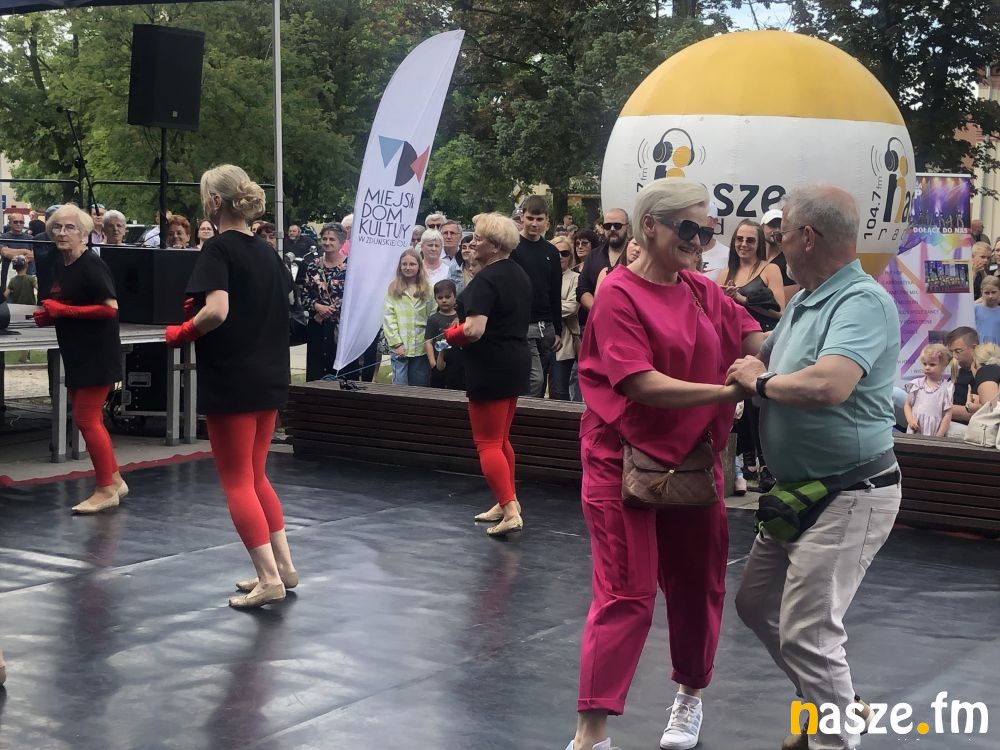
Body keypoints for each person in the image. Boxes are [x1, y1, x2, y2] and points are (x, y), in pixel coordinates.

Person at [568, 178, 762, 750]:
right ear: (649, 225)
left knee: (698, 583)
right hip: (619, 458)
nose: (700, 240)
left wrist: (828, 337)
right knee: (626, 592)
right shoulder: (617, 293)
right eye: (689, 228)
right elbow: (638, 382)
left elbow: (756, 340)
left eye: (707, 230)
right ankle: (590, 734)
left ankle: (689, 696)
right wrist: (727, 393)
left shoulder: (702, 290)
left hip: (692, 460)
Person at [727, 184, 902, 750]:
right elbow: (761, 346)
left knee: (808, 632)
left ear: (807, 236)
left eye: (779, 234)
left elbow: (830, 384)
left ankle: (834, 731)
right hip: (799, 492)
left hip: (851, 491)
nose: (775, 244)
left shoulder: (862, 302)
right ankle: (838, 704)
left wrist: (761, 382)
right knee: (756, 605)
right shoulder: (807, 299)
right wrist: (701, 301)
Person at [165, 164, 296, 609]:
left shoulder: (217, 249)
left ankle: (268, 578)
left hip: (234, 378)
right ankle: (283, 567)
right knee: (257, 476)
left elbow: (217, 311)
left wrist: (184, 331)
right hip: (269, 376)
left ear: (215, 202)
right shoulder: (268, 253)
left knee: (238, 481)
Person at [33, 205, 127, 514]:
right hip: (78, 353)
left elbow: (110, 308)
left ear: (84, 233)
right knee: (90, 419)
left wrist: (65, 311)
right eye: (57, 227)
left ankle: (105, 489)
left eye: (69, 227)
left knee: (86, 419)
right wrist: (51, 316)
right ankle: (114, 479)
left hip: (96, 354)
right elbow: (72, 304)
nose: (62, 233)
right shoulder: (65, 265)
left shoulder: (91, 265)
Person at [443, 212, 532, 537]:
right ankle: (507, 499)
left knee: (488, 443)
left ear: (494, 246)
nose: (472, 243)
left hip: (491, 366)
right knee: (502, 439)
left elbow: (474, 330)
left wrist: (451, 335)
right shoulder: (518, 273)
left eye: (478, 239)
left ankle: (509, 510)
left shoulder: (486, 280)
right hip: (514, 361)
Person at [510, 195, 563, 397]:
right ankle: (522, 413)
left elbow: (555, 291)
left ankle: (528, 414)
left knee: (540, 383)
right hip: (523, 325)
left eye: (539, 219)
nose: (534, 223)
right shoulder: (513, 247)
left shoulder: (551, 251)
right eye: (530, 218)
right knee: (535, 378)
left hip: (547, 326)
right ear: (522, 217)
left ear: (547, 221)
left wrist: (557, 329)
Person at [301, 222, 348, 381]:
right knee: (316, 372)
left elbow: (354, 297)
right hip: (318, 325)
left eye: (332, 239)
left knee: (340, 374)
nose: (327, 242)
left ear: (341, 242)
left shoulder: (350, 266)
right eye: (325, 239)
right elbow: (304, 295)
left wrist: (331, 309)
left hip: (341, 328)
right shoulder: (312, 266)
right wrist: (317, 307)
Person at [384, 248, 435, 387]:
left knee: (419, 385)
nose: (408, 267)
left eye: (412, 264)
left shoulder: (428, 289)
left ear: (419, 266)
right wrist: (396, 343)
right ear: (400, 266)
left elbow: (432, 316)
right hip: (401, 346)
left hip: (421, 346)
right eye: (404, 264)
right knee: (399, 384)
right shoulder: (393, 288)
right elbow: (389, 317)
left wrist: (429, 342)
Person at [577, 209, 629, 330]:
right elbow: (582, 289)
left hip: (629, 324)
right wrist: (599, 310)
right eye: (607, 226)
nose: (612, 229)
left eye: (617, 225)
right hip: (598, 325)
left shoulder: (637, 255)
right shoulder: (593, 256)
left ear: (628, 227)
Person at [551, 236, 581, 400]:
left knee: (560, 390)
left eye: (565, 253)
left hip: (565, 340)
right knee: (536, 385)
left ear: (570, 256)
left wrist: (546, 306)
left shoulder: (576, 278)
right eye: (556, 252)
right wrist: (559, 302)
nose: (560, 256)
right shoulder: (541, 275)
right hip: (539, 337)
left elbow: (572, 307)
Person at [903, 343, 953, 437]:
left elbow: (947, 414)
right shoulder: (917, 384)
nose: (927, 367)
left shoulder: (946, 388)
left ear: (943, 366)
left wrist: (939, 435)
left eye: (932, 364)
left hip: (934, 432)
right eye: (925, 364)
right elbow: (907, 405)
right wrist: (910, 420)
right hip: (915, 430)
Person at [424, 279, 464, 390]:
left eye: (447, 297)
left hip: (459, 365)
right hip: (439, 363)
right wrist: (433, 364)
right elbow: (428, 342)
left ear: (455, 297)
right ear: (435, 299)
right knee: (438, 392)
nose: (444, 300)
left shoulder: (462, 316)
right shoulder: (433, 319)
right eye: (440, 298)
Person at [761, 208, 799, 301]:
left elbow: (788, 297)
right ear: (762, 227)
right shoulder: (754, 257)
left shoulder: (789, 260)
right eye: (772, 226)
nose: (777, 230)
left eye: (781, 226)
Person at [975, 275, 1000, 344]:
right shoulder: (975, 308)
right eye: (987, 293)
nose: (990, 296)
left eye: (994, 292)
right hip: (979, 346)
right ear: (981, 292)